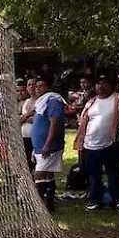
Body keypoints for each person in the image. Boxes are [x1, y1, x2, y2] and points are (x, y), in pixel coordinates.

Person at [75, 75, 119, 211]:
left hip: (110, 144)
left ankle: (118, 201)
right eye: (98, 84)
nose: (100, 87)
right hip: (90, 144)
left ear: (111, 85)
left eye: (104, 83)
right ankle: (95, 200)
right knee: (94, 175)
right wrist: (81, 142)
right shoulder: (91, 102)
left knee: (113, 174)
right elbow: (84, 122)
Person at [30, 77, 66, 212]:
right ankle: (49, 204)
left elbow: (54, 124)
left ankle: (39, 205)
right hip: (39, 146)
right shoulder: (41, 102)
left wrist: (47, 144)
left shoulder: (53, 101)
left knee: (39, 174)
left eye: (41, 86)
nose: (37, 88)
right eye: (36, 86)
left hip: (48, 146)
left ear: (48, 87)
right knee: (48, 174)